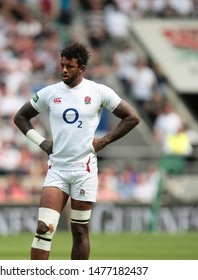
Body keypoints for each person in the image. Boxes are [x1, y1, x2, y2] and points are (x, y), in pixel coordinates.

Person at [13, 42, 140, 260]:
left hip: (84, 170)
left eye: (69, 66)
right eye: (62, 65)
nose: (63, 70)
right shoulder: (50, 93)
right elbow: (20, 117)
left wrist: (104, 141)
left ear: (81, 69)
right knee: (43, 228)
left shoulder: (98, 91)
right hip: (58, 169)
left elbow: (132, 117)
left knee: (80, 231)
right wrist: (42, 142)